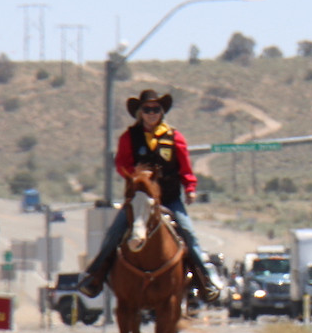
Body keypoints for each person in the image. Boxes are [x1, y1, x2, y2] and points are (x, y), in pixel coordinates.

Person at [76, 89, 220, 301]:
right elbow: (121, 164)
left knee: (188, 233)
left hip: (169, 198)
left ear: (162, 111)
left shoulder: (175, 137)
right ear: (140, 112)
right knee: (114, 233)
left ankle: (206, 280)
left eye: (156, 109)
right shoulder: (129, 137)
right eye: (147, 109)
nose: (152, 113)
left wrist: (190, 188)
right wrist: (134, 173)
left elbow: (186, 168)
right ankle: (93, 276)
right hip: (139, 200)